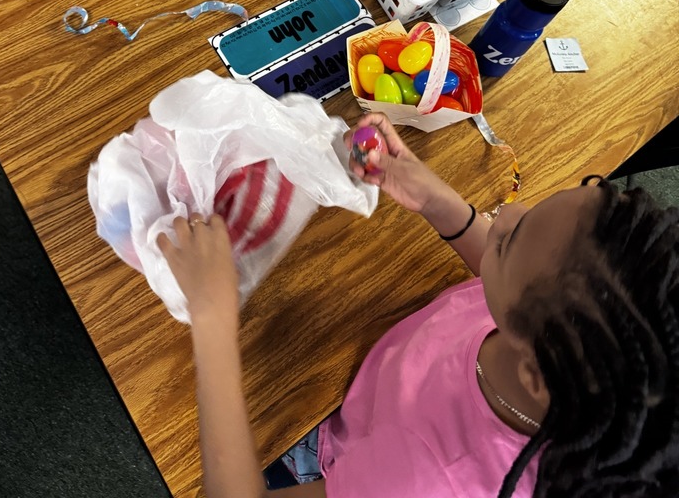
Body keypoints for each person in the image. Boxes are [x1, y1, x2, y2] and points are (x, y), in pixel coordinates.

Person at [158, 112, 679, 498]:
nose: (506, 212)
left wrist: (213, 315)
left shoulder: (424, 478)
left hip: (331, 463)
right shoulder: (561, 344)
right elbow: (510, 283)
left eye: (506, 240)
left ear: (535, 369)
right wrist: (440, 203)